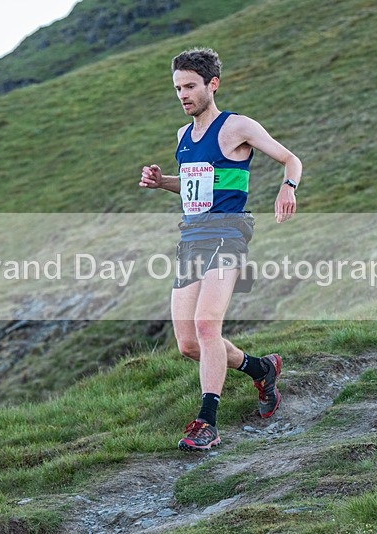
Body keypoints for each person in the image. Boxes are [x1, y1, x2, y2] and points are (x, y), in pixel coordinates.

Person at [139, 48, 302, 452]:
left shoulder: (237, 127)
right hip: (192, 238)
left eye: (190, 86)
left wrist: (287, 187)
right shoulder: (183, 136)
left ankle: (207, 422)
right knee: (188, 344)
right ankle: (261, 369)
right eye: (178, 88)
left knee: (207, 325)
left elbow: (290, 159)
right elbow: (195, 184)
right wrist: (162, 182)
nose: (183, 95)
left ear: (212, 84)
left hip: (229, 233)